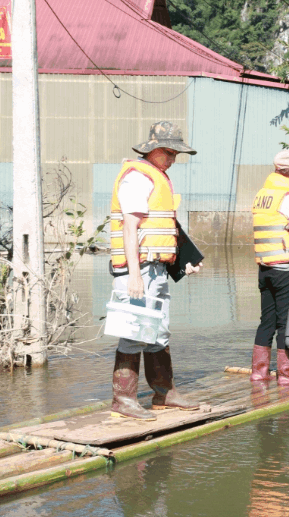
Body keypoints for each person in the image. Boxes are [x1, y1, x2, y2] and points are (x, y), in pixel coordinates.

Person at [107, 121, 201, 421]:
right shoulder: (137, 177)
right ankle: (124, 399)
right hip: (139, 268)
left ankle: (164, 393)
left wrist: (181, 260)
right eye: (168, 152)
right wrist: (134, 275)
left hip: (157, 267)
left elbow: (162, 227)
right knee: (133, 330)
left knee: (159, 330)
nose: (173, 159)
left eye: (175, 153)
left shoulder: (157, 177)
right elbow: (130, 227)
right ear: (153, 150)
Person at [249, 150, 289, 387]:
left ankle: (259, 373)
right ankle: (286, 376)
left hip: (265, 269)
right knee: (286, 322)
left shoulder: (263, 194)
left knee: (266, 320)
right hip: (286, 269)